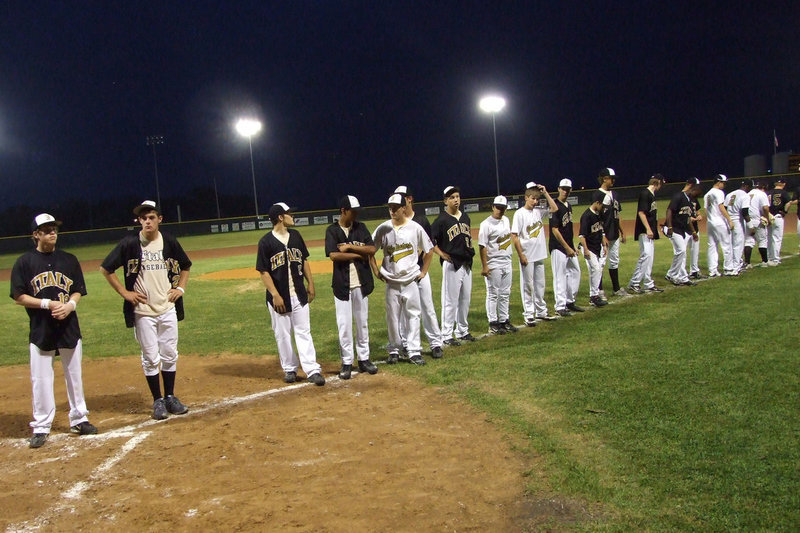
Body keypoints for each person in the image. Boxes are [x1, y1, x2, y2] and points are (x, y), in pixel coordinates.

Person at [11, 214, 97, 449]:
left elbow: (78, 289)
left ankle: (79, 418)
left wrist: (71, 305)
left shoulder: (69, 259)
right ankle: (41, 426)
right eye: (46, 229)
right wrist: (47, 304)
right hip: (41, 329)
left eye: (54, 228)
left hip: (69, 325)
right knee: (41, 379)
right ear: (35, 235)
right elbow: (19, 296)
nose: (52, 232)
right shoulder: (24, 262)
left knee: (74, 375)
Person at [101, 200, 193, 419]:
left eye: (151, 217)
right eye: (143, 218)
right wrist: (125, 293)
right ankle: (157, 401)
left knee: (170, 354)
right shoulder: (129, 243)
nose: (147, 221)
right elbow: (106, 268)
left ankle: (170, 396)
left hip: (167, 308)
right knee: (151, 357)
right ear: (139, 221)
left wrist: (180, 288)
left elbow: (186, 265)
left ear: (159, 219)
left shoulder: (169, 241)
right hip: (143, 311)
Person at [256, 202, 325, 385]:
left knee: (304, 332)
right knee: (283, 335)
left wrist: (310, 283)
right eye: (289, 214)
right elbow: (263, 271)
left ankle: (312, 369)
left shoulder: (296, 236)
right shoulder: (266, 242)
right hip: (279, 298)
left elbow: (304, 260)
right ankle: (290, 369)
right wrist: (275, 294)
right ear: (280, 217)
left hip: (299, 294)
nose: (292, 217)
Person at [371, 193, 434, 365]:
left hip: (410, 280)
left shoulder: (415, 227)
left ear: (403, 208)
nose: (392, 211)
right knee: (392, 318)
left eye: (395, 208)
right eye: (390, 208)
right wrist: (376, 271)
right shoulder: (383, 228)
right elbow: (370, 250)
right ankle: (394, 350)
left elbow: (429, 250)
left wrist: (423, 272)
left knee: (413, 315)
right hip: (391, 282)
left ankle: (414, 351)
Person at [325, 195, 379, 380]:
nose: (356, 214)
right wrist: (358, 254)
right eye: (352, 211)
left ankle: (364, 359)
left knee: (362, 322)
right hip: (342, 285)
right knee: (344, 325)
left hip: (361, 283)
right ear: (343, 211)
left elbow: (372, 250)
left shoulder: (361, 228)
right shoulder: (332, 230)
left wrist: (349, 247)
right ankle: (347, 362)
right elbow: (333, 255)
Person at [394, 186, 444, 358]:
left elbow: (428, 248)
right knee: (404, 312)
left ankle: (435, 343)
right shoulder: (395, 224)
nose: (401, 201)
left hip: (420, 272)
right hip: (403, 276)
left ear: (409, 199)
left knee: (427, 307)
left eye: (403, 198)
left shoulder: (421, 221)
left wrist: (423, 271)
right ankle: (407, 344)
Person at [431, 185, 476, 344]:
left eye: (457, 196)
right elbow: (430, 240)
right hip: (451, 264)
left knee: (465, 299)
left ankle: (462, 330)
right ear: (445, 201)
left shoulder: (465, 217)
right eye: (452, 197)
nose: (456, 200)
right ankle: (447, 334)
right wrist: (441, 254)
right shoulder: (441, 220)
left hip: (466, 262)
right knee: (450, 300)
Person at [511, 181, 559, 326]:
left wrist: (545, 193)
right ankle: (528, 314)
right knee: (528, 285)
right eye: (532, 198)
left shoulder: (538, 211)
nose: (535, 201)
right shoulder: (519, 214)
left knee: (540, 285)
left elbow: (554, 208)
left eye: (537, 199)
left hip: (539, 253)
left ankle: (541, 311)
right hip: (527, 255)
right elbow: (514, 236)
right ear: (526, 197)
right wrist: (521, 255)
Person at [478, 195, 518, 334]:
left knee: (505, 293)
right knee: (493, 293)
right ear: (493, 207)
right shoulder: (486, 224)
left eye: (503, 208)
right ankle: (493, 322)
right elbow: (482, 246)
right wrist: (485, 266)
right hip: (493, 262)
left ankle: (504, 320)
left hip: (507, 260)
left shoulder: (506, 220)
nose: (500, 210)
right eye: (498, 207)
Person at [549, 178, 584, 316]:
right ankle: (560, 306)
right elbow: (555, 230)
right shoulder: (555, 205)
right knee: (560, 276)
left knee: (575, 271)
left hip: (569, 245)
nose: (565, 191)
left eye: (568, 189)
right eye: (563, 188)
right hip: (558, 246)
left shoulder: (568, 205)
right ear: (558, 189)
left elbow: (569, 228)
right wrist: (566, 247)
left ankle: (569, 301)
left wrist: (573, 246)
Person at [628, 174, 665, 293]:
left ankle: (648, 283)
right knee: (646, 255)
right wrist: (648, 229)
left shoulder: (652, 194)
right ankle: (634, 283)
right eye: (661, 183)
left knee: (650, 257)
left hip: (649, 230)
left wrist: (654, 229)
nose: (662, 185)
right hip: (644, 230)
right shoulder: (645, 194)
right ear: (657, 182)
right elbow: (641, 213)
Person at [592, 168, 626, 296]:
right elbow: (595, 217)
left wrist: (622, 231)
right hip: (603, 235)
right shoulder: (597, 195)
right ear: (604, 178)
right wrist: (602, 235)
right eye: (612, 178)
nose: (613, 180)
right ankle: (599, 290)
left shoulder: (615, 195)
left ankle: (616, 289)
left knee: (614, 260)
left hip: (614, 234)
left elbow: (618, 215)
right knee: (601, 262)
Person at [664, 179, 701, 286]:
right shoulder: (679, 196)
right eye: (696, 188)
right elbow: (669, 210)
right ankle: (673, 275)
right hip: (672, 228)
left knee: (681, 252)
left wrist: (693, 232)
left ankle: (677, 275)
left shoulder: (689, 200)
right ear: (690, 186)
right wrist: (669, 226)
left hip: (680, 230)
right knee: (681, 250)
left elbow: (688, 218)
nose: (697, 191)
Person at [579, 196, 609, 307]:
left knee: (596, 270)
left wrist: (604, 245)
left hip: (596, 247)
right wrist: (586, 250)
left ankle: (593, 296)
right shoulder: (586, 216)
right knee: (596, 269)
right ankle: (594, 296)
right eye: (602, 205)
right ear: (597, 202)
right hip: (588, 247)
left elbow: (600, 231)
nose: (603, 208)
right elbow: (582, 235)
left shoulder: (599, 214)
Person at [703, 174, 736, 277]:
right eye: (724, 183)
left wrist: (710, 219)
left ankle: (712, 270)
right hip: (719, 222)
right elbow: (721, 207)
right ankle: (728, 269)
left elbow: (705, 210)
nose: (724, 185)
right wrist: (729, 220)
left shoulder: (707, 194)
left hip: (710, 222)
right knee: (726, 245)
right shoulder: (718, 192)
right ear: (719, 182)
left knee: (712, 246)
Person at [724, 179, 752, 273]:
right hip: (737, 222)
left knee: (729, 245)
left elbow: (724, 209)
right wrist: (750, 225)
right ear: (747, 186)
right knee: (738, 245)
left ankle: (728, 267)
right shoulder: (745, 196)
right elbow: (745, 212)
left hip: (728, 220)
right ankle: (736, 268)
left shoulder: (729, 194)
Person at [766, 178, 796, 265]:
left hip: (769, 216)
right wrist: (785, 212)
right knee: (777, 238)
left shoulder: (768, 192)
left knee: (769, 238)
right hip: (778, 216)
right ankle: (775, 259)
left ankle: (768, 258)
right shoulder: (784, 193)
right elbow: (789, 203)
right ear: (783, 184)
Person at [744, 181, 770, 268]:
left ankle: (747, 263)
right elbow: (765, 208)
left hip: (747, 220)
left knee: (749, 241)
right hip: (757, 219)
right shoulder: (762, 194)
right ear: (763, 188)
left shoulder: (748, 194)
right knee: (762, 240)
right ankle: (764, 262)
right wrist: (767, 218)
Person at [686, 186, 705, 280]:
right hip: (685, 229)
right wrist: (690, 219)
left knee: (695, 251)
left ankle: (694, 271)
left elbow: (697, 210)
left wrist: (699, 215)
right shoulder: (684, 198)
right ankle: (679, 273)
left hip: (695, 228)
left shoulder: (694, 199)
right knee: (682, 252)